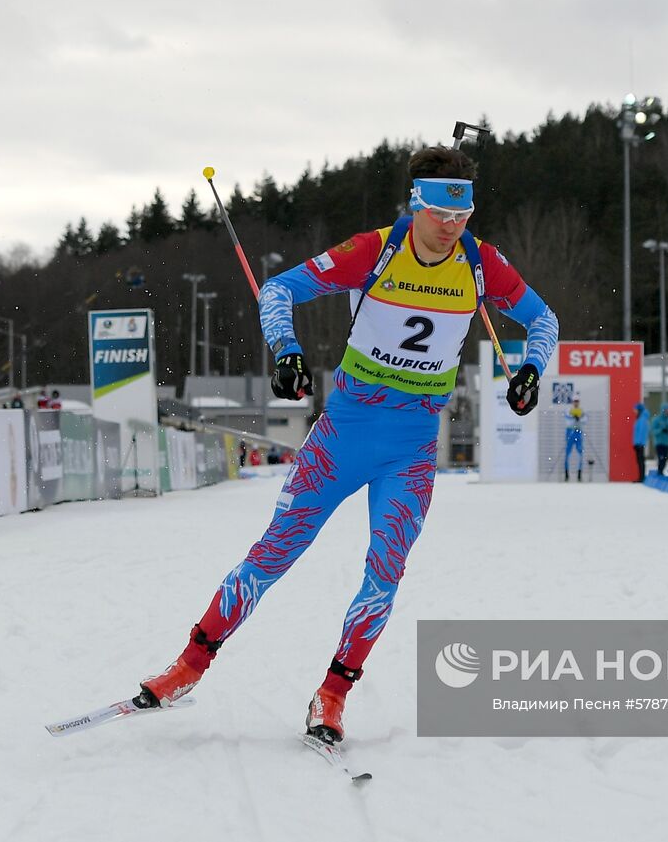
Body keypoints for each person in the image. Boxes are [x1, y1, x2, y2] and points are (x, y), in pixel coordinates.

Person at [136, 145, 559, 745]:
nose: (452, 227)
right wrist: (286, 352)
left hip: (410, 452)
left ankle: (332, 696)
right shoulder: (374, 250)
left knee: (384, 574)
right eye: (441, 213)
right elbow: (278, 291)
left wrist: (532, 369)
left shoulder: (483, 265)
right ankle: (189, 667)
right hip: (341, 438)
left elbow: (544, 322)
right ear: (418, 204)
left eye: (462, 216)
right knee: (274, 554)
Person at [650, 403, 668, 476]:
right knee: (661, 458)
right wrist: (661, 430)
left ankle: (661, 471)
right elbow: (653, 431)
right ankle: (659, 471)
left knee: (665, 459)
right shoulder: (656, 419)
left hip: (667, 442)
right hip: (659, 442)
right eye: (667, 410)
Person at [564, 397, 585, 482]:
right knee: (567, 453)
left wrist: (579, 419)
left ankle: (579, 474)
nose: (576, 403)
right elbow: (567, 420)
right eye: (575, 401)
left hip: (578, 432)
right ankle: (566, 474)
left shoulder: (581, 410)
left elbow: (585, 420)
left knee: (580, 452)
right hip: (570, 432)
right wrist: (573, 418)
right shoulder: (569, 410)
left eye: (577, 401)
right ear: (573, 402)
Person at [632, 402, 650, 483]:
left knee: (640, 461)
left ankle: (641, 478)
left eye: (635, 409)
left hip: (640, 444)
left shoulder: (642, 419)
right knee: (639, 461)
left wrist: (638, 443)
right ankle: (641, 477)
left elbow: (641, 432)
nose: (634, 411)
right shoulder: (641, 418)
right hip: (639, 443)